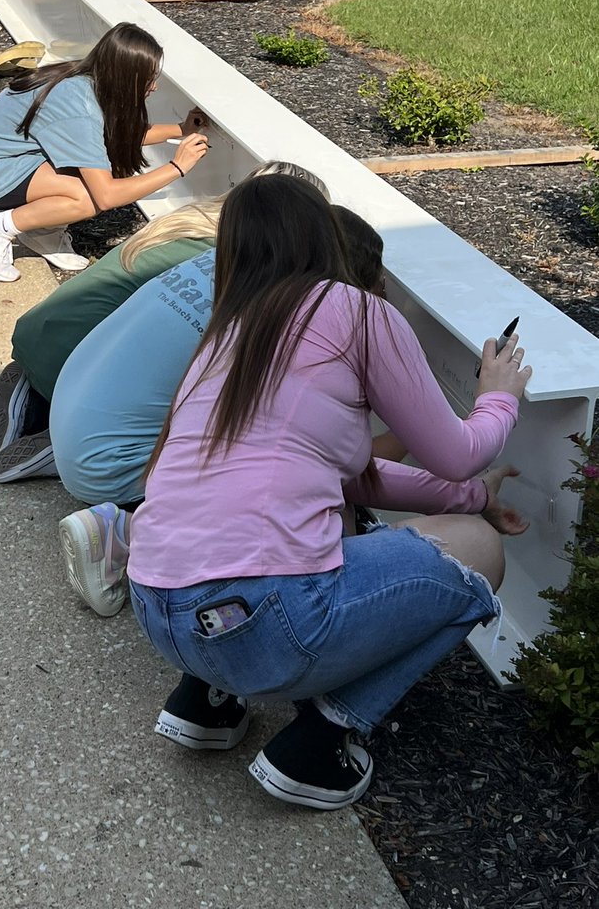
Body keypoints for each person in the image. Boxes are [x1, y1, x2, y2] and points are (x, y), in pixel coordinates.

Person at [125, 175, 531, 811]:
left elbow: (358, 476)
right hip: (261, 623)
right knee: (478, 554)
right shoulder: (355, 310)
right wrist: (498, 395)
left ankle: (206, 702)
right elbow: (458, 452)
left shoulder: (225, 337)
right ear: (323, 234)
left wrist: (475, 497)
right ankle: (322, 741)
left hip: (156, 609)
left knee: (292, 521)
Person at [51, 203, 398, 618]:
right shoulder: (280, 324)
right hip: (111, 463)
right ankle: (124, 532)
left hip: (73, 422)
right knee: (291, 472)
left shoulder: (228, 262)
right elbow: (332, 461)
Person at [0, 163, 328, 483]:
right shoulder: (219, 259)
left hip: (42, 334)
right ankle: (64, 439)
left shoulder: (185, 222)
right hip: (78, 366)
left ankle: (30, 384)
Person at [0, 22, 209, 281]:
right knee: (87, 198)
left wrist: (181, 129)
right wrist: (176, 167)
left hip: (13, 161)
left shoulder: (88, 80)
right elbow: (107, 197)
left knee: (108, 168)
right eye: (148, 78)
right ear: (125, 75)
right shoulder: (79, 107)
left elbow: (117, 137)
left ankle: (42, 231)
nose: (153, 87)